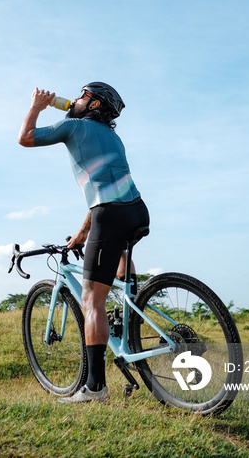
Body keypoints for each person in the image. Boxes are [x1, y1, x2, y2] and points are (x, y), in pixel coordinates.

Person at [18, 82, 150, 403]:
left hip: (110, 214)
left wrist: (37, 105)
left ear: (92, 105)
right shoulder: (114, 138)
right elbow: (105, 194)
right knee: (115, 271)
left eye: (81, 95)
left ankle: (95, 389)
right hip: (136, 211)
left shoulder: (73, 127)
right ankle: (127, 324)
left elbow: (25, 138)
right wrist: (82, 232)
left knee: (93, 301)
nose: (74, 100)